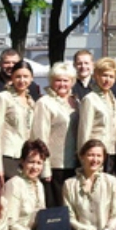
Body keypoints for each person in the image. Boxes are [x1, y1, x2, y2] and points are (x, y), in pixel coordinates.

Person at [31, 61, 78, 206]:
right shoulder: (44, 103)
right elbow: (39, 137)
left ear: (72, 82)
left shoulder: (76, 102)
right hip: (54, 166)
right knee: (55, 209)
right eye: (58, 80)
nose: (62, 84)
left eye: (66, 80)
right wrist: (44, 168)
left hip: (74, 164)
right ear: (51, 81)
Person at [0, 60, 36, 180]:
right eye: (18, 76)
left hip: (25, 157)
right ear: (12, 78)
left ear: (31, 78)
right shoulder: (2, 98)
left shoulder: (31, 102)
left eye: (25, 76)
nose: (22, 80)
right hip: (7, 155)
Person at [76, 57, 116, 174]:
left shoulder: (112, 98)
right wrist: (83, 159)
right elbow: (84, 132)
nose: (107, 80)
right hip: (94, 155)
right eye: (104, 75)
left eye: (111, 77)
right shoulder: (90, 99)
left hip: (111, 152)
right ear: (96, 76)